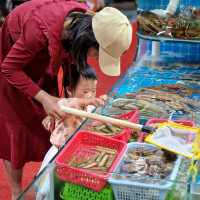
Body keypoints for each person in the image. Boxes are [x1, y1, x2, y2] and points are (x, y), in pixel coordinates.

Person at [0, 0, 132, 199]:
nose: (95, 59)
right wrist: (45, 98)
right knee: (15, 130)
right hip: (12, 62)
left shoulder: (83, 22)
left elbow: (72, 66)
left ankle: (48, 178)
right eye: (97, 53)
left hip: (40, 58)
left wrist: (78, 100)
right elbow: (9, 68)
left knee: (50, 121)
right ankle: (16, 190)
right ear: (87, 40)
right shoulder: (39, 28)